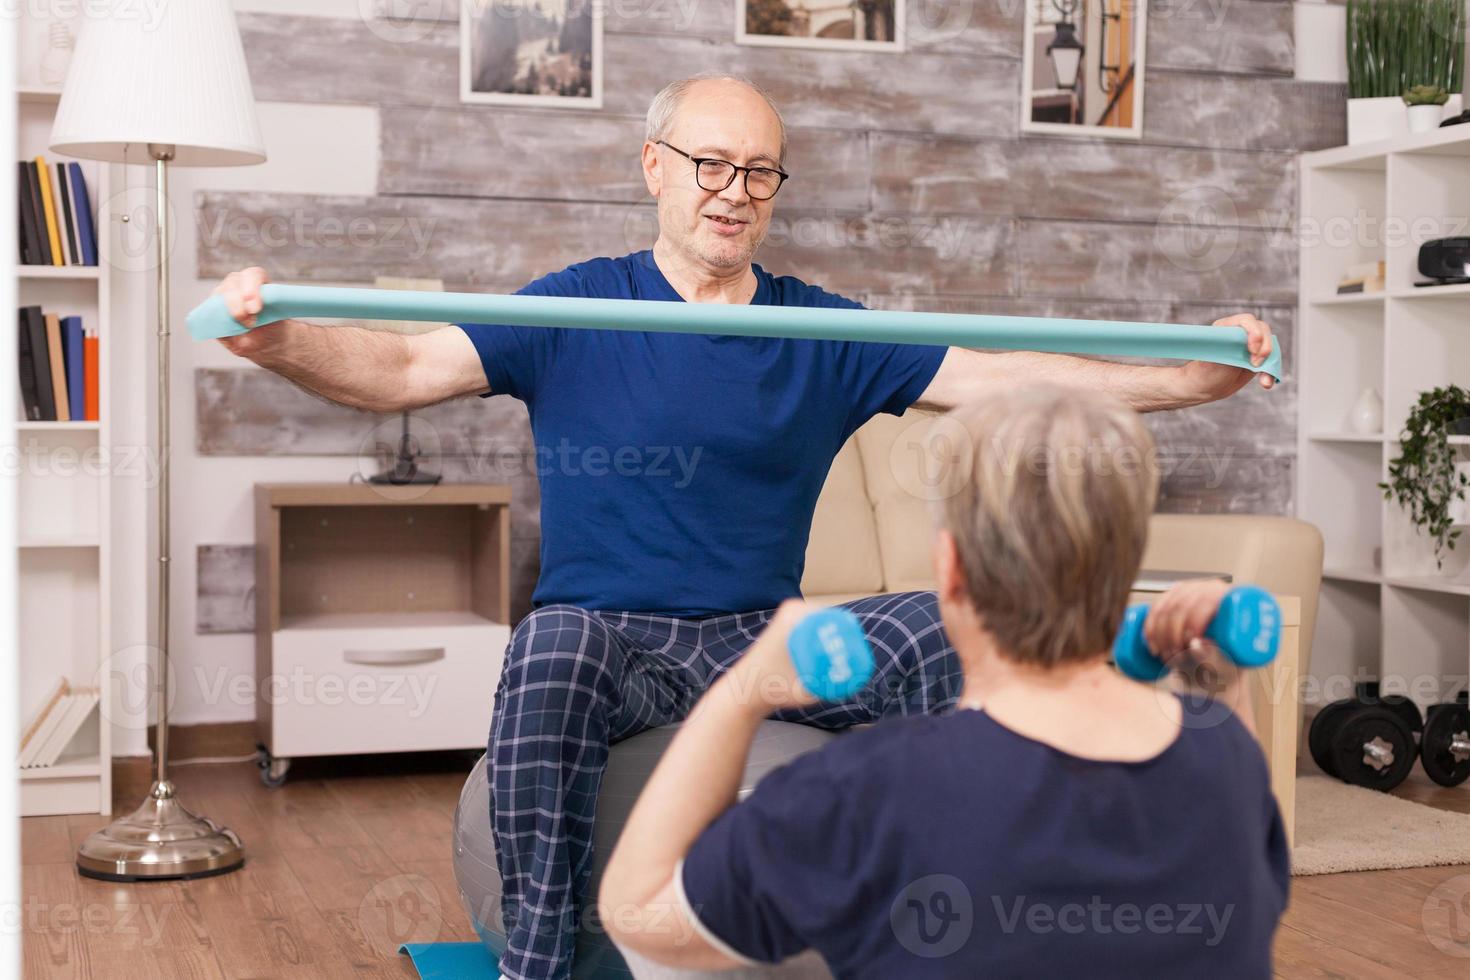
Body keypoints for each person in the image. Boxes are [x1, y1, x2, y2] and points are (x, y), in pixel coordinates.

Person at [211, 73, 1277, 980]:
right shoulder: (576, 306)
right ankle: (534, 962)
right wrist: (282, 338)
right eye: (711, 163)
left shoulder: (815, 328)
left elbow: (1003, 376)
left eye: (760, 171)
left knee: (944, 619)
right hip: (609, 634)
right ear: (654, 166)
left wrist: (1188, 376)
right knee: (550, 645)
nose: (736, 191)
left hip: (760, 635)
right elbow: (398, 366)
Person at [599, 384, 1290, 978]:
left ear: (949, 569)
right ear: (1127, 562)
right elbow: (1261, 880)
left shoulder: (868, 787)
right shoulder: (1222, 757)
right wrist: (1217, 687)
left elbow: (640, 910)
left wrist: (742, 689)